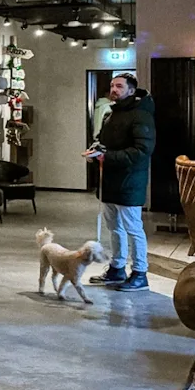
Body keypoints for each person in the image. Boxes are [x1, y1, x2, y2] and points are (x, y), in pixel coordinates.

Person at [84, 74, 156, 292]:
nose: (114, 89)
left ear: (131, 91)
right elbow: (102, 140)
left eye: (119, 86)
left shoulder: (141, 115)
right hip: (109, 181)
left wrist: (107, 157)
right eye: (112, 86)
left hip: (130, 181)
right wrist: (95, 150)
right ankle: (117, 268)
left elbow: (142, 151)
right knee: (114, 227)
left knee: (133, 229)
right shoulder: (111, 114)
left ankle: (140, 273)